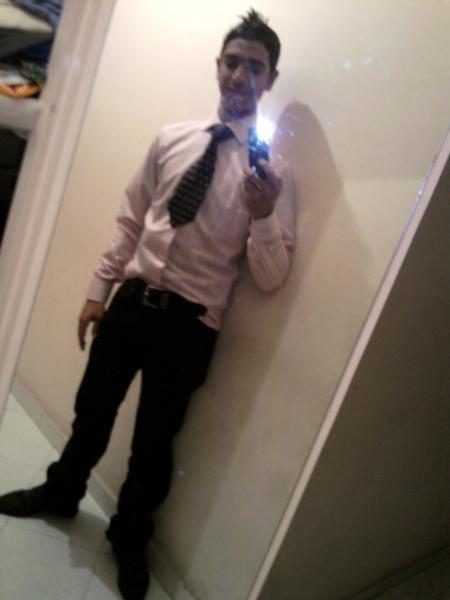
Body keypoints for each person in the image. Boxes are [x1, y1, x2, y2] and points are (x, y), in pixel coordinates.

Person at [0, 9, 296, 600]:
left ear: (271, 79)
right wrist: (97, 291)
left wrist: (263, 217)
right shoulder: (171, 139)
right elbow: (131, 220)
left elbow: (271, 276)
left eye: (254, 67)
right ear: (218, 66)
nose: (240, 75)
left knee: (154, 444)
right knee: (92, 410)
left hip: (190, 326)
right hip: (132, 302)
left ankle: (129, 536)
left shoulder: (273, 174)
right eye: (232, 62)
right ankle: (62, 492)